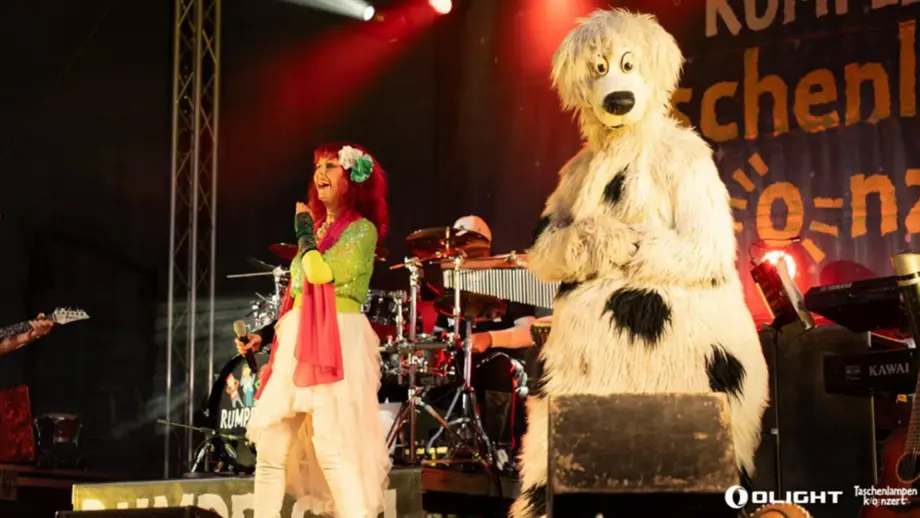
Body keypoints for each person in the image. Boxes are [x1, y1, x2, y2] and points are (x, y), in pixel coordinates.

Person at [235, 143, 390, 518]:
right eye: (318, 165)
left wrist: (304, 232)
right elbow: (300, 296)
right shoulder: (320, 229)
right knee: (271, 449)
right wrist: (266, 335)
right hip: (299, 338)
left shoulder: (361, 231)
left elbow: (319, 273)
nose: (320, 171)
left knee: (332, 449)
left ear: (352, 179)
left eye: (331, 165)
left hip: (337, 339)